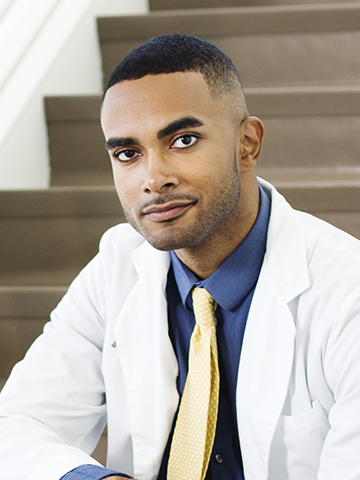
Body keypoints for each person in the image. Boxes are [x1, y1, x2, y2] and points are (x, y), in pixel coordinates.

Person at [1, 33, 360, 480]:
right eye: (128, 153)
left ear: (247, 143)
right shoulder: (115, 267)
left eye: (184, 140)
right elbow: (16, 426)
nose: (154, 179)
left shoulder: (348, 293)